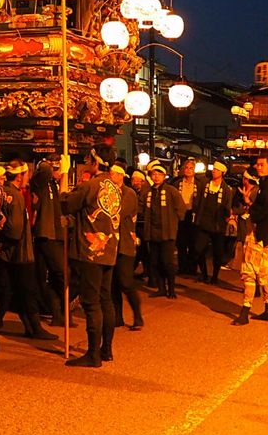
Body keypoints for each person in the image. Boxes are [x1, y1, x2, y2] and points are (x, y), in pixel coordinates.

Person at [63, 149, 122, 367]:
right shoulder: (116, 187)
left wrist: (63, 176)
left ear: (96, 162)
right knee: (106, 300)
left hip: (91, 251)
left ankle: (93, 354)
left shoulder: (91, 185)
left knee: (91, 302)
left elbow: (65, 204)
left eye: (89, 159)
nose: (86, 162)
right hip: (109, 249)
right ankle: (106, 350)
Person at [0, 165, 56, 341]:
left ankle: (1, 323)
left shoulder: (0, 193)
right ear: (20, 176)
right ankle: (34, 328)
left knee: (9, 290)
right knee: (28, 291)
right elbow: (15, 230)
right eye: (26, 174)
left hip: (5, 253)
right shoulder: (16, 196)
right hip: (20, 252)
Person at [234, 156, 268, 325]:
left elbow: (265, 210)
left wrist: (250, 206)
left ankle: (244, 312)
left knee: (249, 271)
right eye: (257, 164)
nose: (258, 167)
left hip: (259, 231)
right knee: (267, 272)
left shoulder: (267, 186)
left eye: (262, 164)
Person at [30, 159, 68, 323]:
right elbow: (44, 169)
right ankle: (60, 310)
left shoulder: (53, 184)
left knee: (53, 276)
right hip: (46, 234)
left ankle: (57, 313)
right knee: (61, 273)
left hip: (55, 233)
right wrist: (57, 167)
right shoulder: (40, 182)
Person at [140, 161, 185, 299]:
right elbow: (141, 208)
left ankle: (171, 288)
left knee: (167, 262)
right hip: (152, 232)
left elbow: (181, 209)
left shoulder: (171, 191)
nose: (156, 177)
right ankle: (161, 288)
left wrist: (173, 222)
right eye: (154, 174)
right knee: (155, 261)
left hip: (167, 232)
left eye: (159, 174)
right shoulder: (147, 192)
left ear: (164, 176)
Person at [112, 164, 144, 331]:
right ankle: (117, 317)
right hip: (112, 244)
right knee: (113, 283)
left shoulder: (128, 193)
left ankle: (138, 316)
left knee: (125, 281)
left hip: (125, 243)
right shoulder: (110, 192)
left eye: (112, 174)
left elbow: (117, 213)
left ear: (120, 176)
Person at [192, 161, 233, 284]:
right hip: (204, 222)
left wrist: (227, 218)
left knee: (217, 253)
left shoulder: (226, 189)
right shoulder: (205, 183)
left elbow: (227, 207)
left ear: (222, 173)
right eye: (214, 169)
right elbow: (197, 201)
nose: (214, 171)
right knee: (198, 249)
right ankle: (204, 273)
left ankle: (215, 276)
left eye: (217, 170)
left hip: (217, 225)